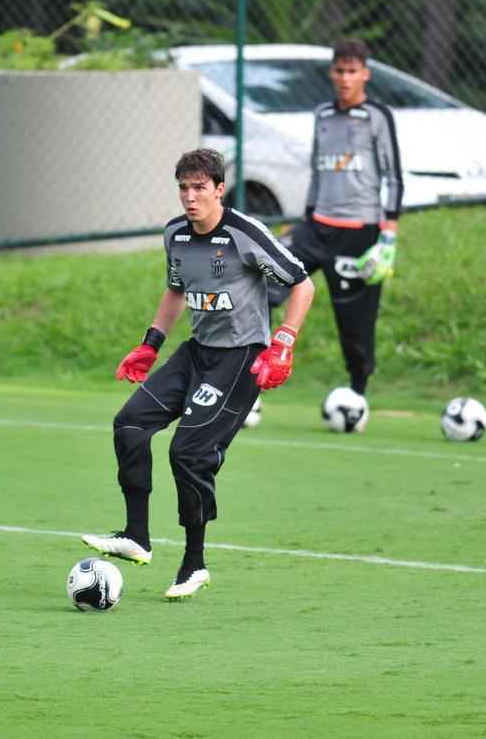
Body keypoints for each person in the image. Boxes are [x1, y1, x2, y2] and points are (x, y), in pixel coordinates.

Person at [82, 148, 315, 600]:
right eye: (183, 188)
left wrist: (283, 343)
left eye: (199, 188)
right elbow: (175, 291)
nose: (190, 198)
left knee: (187, 454)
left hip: (240, 359)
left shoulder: (245, 234)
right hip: (196, 353)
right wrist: (150, 344)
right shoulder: (176, 235)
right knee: (129, 425)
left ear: (219, 190)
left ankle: (194, 564)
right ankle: (136, 535)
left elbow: (302, 284)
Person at [252, 39, 402, 428]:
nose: (345, 78)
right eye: (339, 70)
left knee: (355, 324)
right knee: (261, 285)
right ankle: (251, 383)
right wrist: (303, 220)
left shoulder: (377, 117)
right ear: (331, 73)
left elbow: (394, 178)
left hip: (361, 234)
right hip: (316, 228)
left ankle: (357, 397)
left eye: (353, 71)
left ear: (365, 74)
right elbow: (319, 174)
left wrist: (388, 237)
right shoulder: (321, 115)